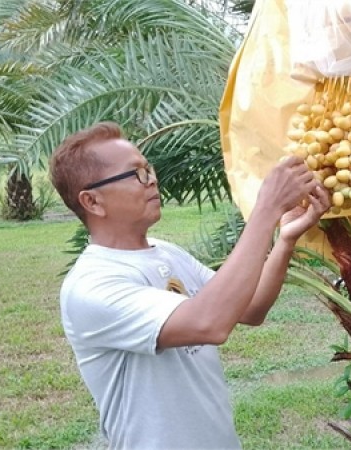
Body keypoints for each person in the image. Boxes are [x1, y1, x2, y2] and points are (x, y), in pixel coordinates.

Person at [48, 122, 330, 449]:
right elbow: (208, 323)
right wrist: (265, 210)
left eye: (148, 168)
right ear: (92, 201)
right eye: (136, 174)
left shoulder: (166, 252)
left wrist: (285, 238)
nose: (152, 179)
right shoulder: (91, 286)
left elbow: (250, 308)